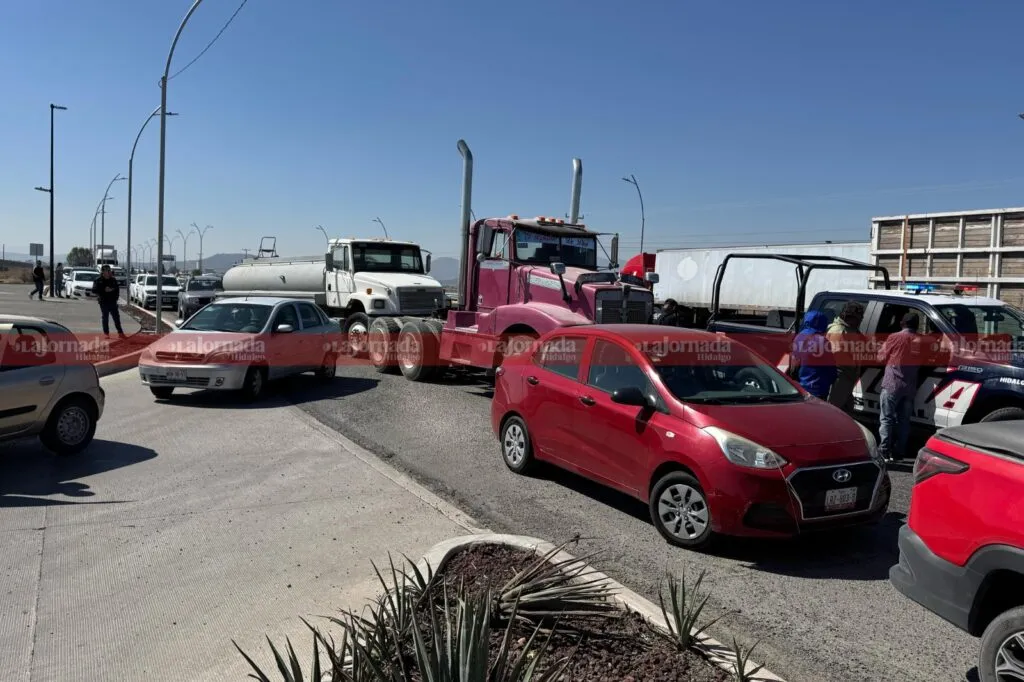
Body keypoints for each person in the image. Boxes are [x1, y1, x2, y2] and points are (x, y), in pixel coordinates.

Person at [876, 312, 922, 462]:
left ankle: (884, 451)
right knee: (904, 421)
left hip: (892, 384)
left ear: (902, 323)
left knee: (887, 419)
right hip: (910, 386)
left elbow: (881, 357)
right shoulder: (921, 340)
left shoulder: (895, 337)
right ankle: (899, 452)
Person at [826, 301, 867, 411]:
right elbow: (839, 358)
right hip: (841, 376)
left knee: (847, 410)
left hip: (848, 378)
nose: (860, 320)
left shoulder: (851, 329)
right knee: (834, 411)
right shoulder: (838, 331)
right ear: (848, 316)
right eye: (858, 317)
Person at [788, 310, 837, 399]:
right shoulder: (822, 341)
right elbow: (831, 368)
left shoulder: (798, 337)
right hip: (817, 389)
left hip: (799, 386)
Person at [92, 265, 126, 339]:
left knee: (116, 317)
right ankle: (106, 333)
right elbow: (94, 290)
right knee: (105, 317)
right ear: (103, 271)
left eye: (109, 270)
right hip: (103, 302)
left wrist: (115, 297)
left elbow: (117, 289)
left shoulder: (113, 280)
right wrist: (104, 290)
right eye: (107, 270)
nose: (109, 272)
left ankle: (120, 333)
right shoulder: (98, 280)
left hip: (113, 301)